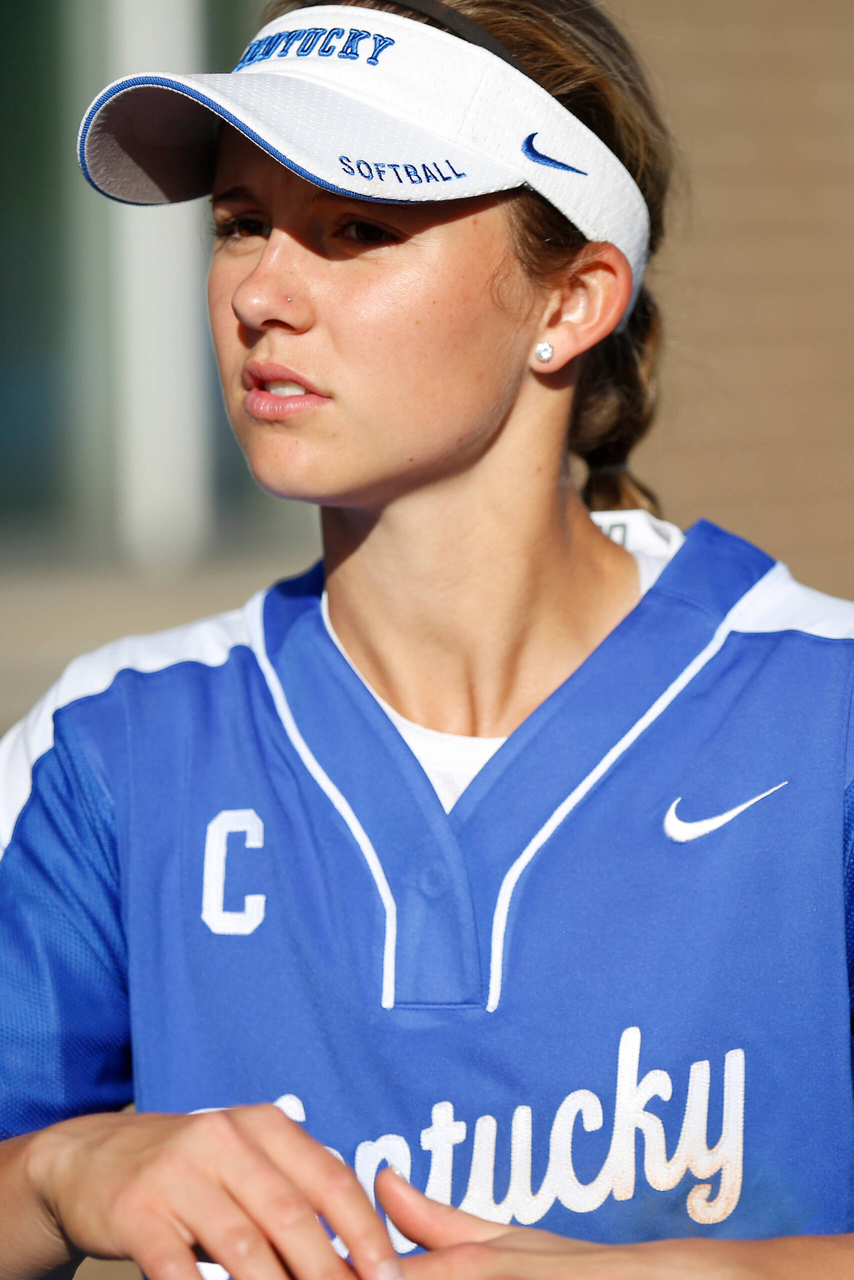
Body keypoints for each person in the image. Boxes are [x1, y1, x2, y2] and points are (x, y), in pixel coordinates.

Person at [1, 0, 853, 1276]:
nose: (262, 295)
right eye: (239, 224)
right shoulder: (113, 746)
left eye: (357, 229)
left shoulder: (821, 714)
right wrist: (62, 1171)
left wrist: (706, 1270)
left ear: (569, 302)